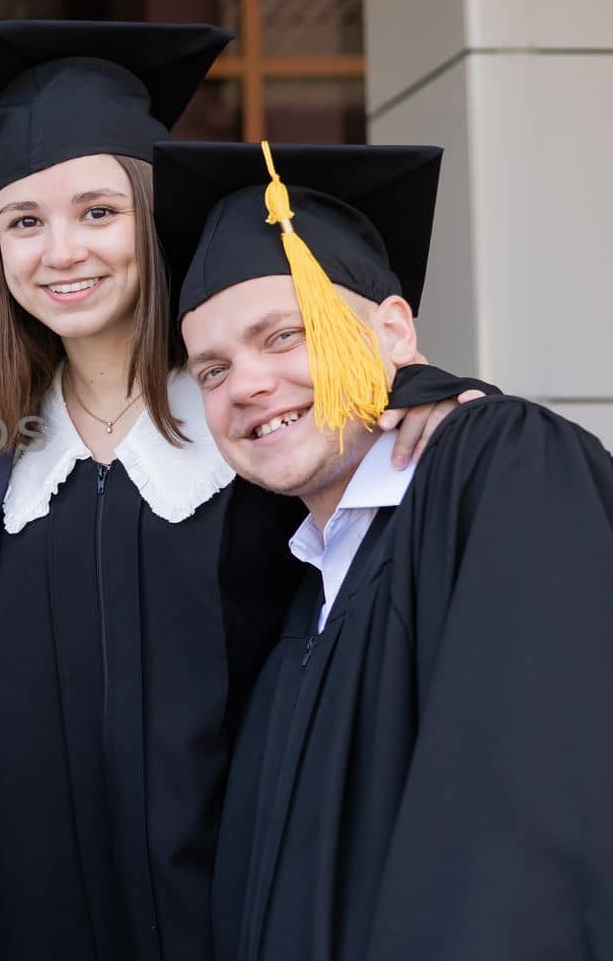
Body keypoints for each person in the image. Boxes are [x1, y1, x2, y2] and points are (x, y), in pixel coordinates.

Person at [0, 22, 475, 960]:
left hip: (253, 914)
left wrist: (445, 399)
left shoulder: (264, 430)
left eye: (98, 211)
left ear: (152, 212)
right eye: (24, 221)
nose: (61, 252)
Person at [161, 140, 613, 961]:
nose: (248, 386)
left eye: (284, 335)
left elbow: (533, 830)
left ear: (397, 330)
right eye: (212, 369)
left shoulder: (503, 468)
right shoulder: (301, 582)